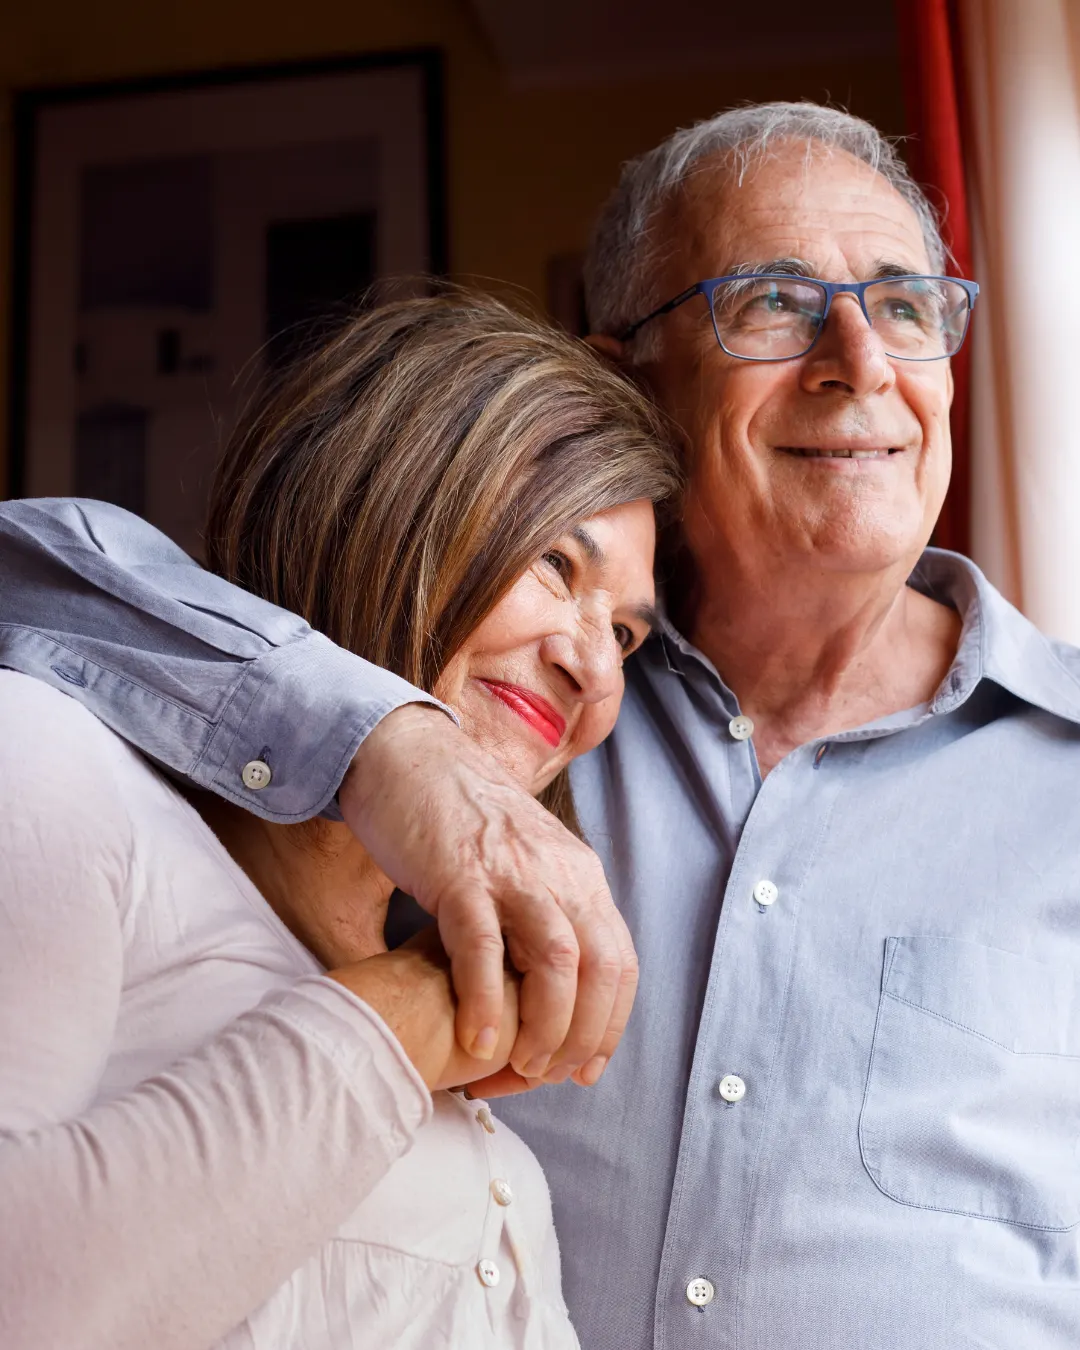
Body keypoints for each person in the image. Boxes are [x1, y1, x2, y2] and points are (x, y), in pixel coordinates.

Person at [1, 98, 1076, 1349]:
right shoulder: (505, 718)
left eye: (906, 303)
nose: (862, 358)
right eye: (775, 301)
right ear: (626, 376)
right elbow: (37, 581)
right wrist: (384, 744)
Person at [0, 291, 680, 1349]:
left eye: (629, 637)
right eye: (557, 566)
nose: (594, 666)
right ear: (392, 504)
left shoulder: (483, 1085)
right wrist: (406, 1014)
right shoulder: (55, 765)